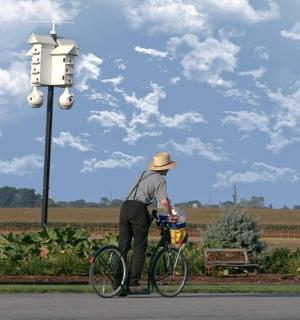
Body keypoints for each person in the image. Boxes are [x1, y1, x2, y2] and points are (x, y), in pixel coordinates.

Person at [118, 152, 177, 293]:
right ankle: (133, 283)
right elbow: (163, 201)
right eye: (168, 167)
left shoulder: (143, 174)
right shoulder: (160, 180)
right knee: (140, 247)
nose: (169, 170)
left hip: (125, 207)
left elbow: (146, 199)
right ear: (164, 167)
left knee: (123, 247)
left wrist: (152, 215)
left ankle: (117, 284)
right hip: (138, 209)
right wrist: (171, 215)